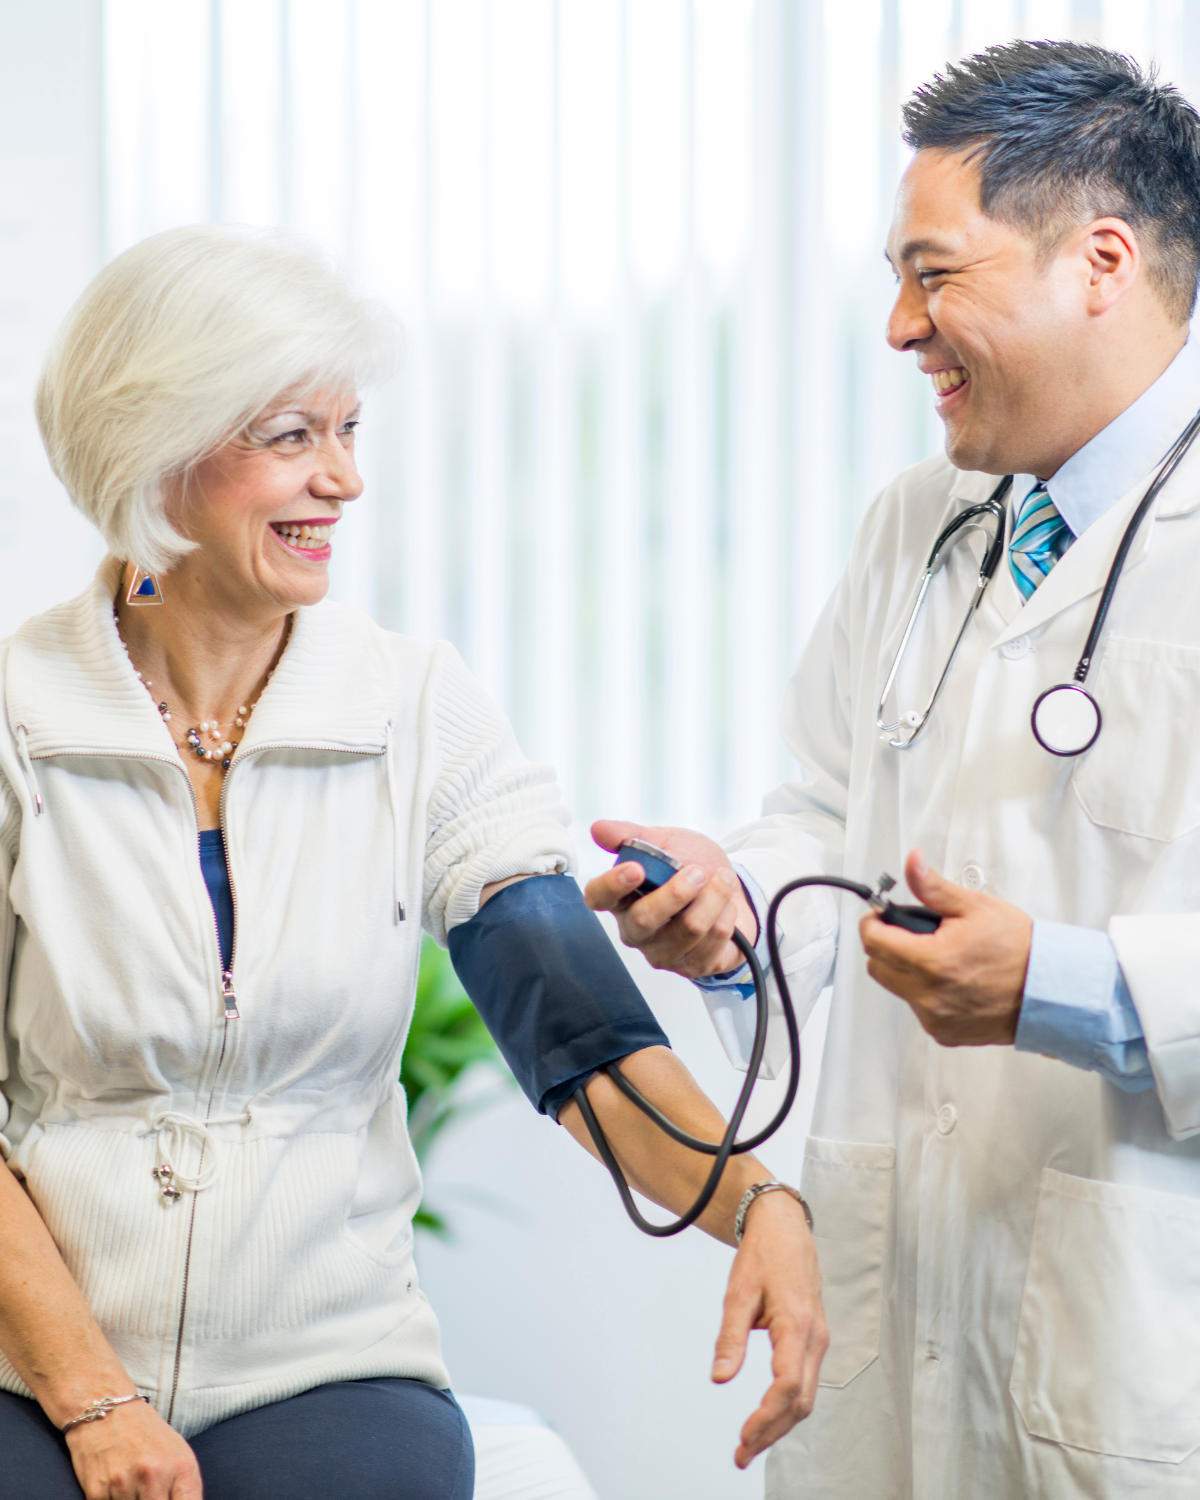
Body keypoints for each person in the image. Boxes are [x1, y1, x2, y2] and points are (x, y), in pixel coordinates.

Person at [0, 225, 824, 1500]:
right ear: (156, 452)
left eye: (348, 432)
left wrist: (759, 1204)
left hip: (327, 1365)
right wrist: (93, 1399)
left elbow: (579, 1031)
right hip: (32, 1359)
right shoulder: (17, 716)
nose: (343, 480)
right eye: (291, 437)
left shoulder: (415, 707)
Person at [586, 39, 1200, 1500]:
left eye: (936, 276)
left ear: (1098, 261)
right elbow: (824, 821)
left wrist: (1065, 984)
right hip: (897, 1304)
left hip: (1133, 1333)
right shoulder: (917, 523)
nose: (897, 328)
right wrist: (737, 916)